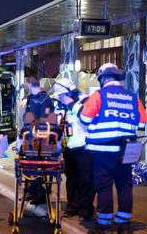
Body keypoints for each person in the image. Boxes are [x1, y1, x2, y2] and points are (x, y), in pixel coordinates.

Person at [80, 63, 147, 234]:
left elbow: (84, 119)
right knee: (124, 185)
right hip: (126, 151)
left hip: (102, 151)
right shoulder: (133, 97)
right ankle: (123, 223)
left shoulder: (99, 95)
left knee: (104, 186)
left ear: (102, 79)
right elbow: (142, 122)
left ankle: (104, 224)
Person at [53, 78, 95, 220]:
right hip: (69, 147)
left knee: (85, 180)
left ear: (69, 92)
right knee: (71, 179)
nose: (60, 98)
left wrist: (71, 104)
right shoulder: (60, 104)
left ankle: (86, 210)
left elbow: (85, 118)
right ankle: (72, 206)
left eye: (61, 95)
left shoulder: (85, 100)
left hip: (85, 147)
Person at [19, 76, 55, 204]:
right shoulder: (31, 98)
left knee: (38, 167)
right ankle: (31, 191)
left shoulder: (45, 100)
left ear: (29, 85)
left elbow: (47, 121)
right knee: (29, 166)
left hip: (39, 140)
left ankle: (39, 193)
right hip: (29, 138)